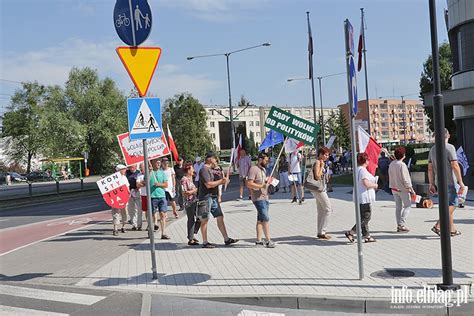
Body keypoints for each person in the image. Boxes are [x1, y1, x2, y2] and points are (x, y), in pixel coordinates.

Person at [428, 128, 465, 237]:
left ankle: (452, 230)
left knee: (448, 205)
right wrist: (461, 182)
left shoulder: (433, 149)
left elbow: (430, 168)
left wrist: (431, 183)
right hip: (450, 181)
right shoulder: (450, 148)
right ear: (447, 136)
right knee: (454, 204)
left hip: (439, 183)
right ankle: (438, 225)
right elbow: (455, 165)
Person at [198, 152, 239, 248]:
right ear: (210, 159)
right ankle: (205, 241)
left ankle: (226, 238)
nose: (216, 160)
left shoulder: (211, 170)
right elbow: (208, 184)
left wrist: (223, 180)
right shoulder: (204, 169)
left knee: (220, 216)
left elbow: (217, 181)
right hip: (206, 197)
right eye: (215, 158)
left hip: (214, 196)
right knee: (205, 219)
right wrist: (221, 181)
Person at [345, 153, 378, 243]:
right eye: (367, 160)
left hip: (360, 196)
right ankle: (351, 232)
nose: (368, 161)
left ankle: (367, 235)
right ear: (365, 161)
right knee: (366, 217)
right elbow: (366, 183)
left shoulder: (357, 169)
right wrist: (375, 185)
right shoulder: (363, 171)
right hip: (365, 196)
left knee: (363, 216)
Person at [247, 152, 276, 248]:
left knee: (260, 219)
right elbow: (249, 183)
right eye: (266, 160)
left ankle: (259, 240)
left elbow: (262, 182)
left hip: (265, 197)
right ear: (260, 159)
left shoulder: (263, 170)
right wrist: (261, 186)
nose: (267, 162)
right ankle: (268, 240)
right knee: (265, 218)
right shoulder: (253, 169)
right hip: (258, 198)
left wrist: (268, 181)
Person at [388, 147, 416, 233]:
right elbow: (406, 179)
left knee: (398, 207)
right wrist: (411, 189)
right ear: (403, 155)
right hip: (403, 189)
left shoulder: (392, 164)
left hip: (394, 188)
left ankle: (398, 224)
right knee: (407, 206)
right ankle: (401, 224)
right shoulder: (402, 165)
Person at [309, 147, 333, 240]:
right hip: (318, 189)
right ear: (321, 154)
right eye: (326, 154)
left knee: (321, 210)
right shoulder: (318, 162)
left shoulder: (321, 162)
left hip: (321, 188)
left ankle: (319, 232)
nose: (327, 156)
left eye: (328, 155)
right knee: (328, 209)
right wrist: (322, 166)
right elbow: (317, 176)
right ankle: (323, 231)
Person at [149, 158, 170, 239]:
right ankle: (151, 228)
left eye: (159, 163)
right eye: (156, 162)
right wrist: (149, 172)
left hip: (162, 196)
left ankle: (163, 233)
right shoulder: (149, 173)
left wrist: (159, 184)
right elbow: (145, 182)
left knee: (163, 214)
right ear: (153, 163)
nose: (158, 164)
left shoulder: (162, 173)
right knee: (152, 215)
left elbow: (166, 184)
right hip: (152, 196)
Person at [181, 162, 201, 246]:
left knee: (200, 217)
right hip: (189, 202)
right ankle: (191, 238)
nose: (193, 170)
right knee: (191, 219)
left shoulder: (191, 178)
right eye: (192, 168)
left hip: (195, 200)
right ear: (188, 170)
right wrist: (194, 190)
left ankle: (192, 234)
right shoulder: (184, 179)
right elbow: (184, 192)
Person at [112, 164, 129, 236]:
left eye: (125, 169)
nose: (125, 171)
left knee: (124, 212)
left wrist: (128, 194)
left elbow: (127, 187)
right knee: (116, 213)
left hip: (124, 198)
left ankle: (124, 226)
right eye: (123, 169)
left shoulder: (124, 177)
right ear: (119, 170)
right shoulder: (113, 178)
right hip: (116, 198)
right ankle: (115, 229)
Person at [126, 164, 143, 230]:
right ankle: (134, 224)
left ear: (136, 167)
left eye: (132, 167)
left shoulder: (138, 173)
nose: (131, 168)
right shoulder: (127, 173)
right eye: (130, 167)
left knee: (138, 209)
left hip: (137, 191)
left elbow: (141, 182)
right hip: (129, 192)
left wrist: (137, 188)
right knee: (131, 209)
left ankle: (139, 224)